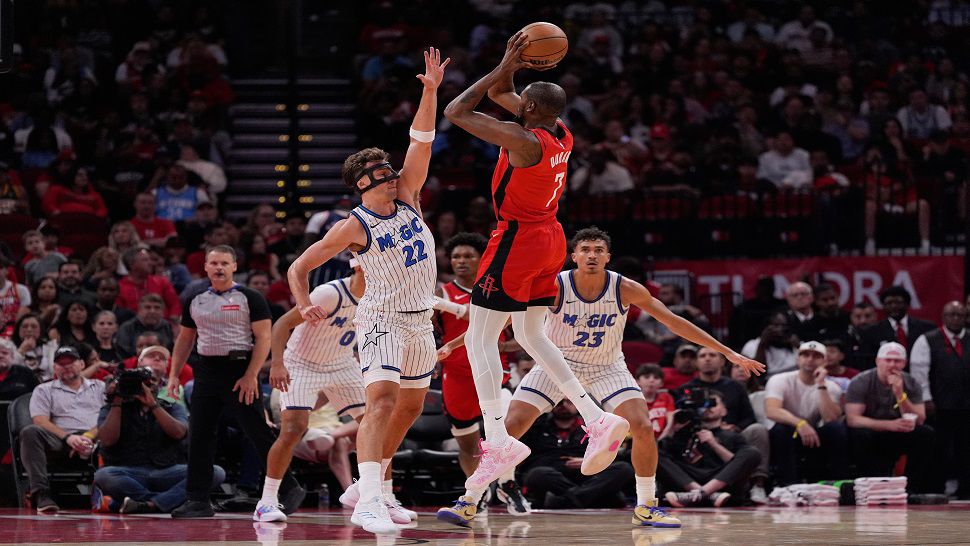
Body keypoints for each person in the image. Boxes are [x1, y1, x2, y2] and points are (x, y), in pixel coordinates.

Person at [437, 228, 762, 527]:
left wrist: (728, 352)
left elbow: (673, 321)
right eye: (585, 250)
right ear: (574, 256)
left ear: (608, 256)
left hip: (608, 367)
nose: (591, 255)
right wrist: (453, 344)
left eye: (598, 250)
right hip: (557, 364)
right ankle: (470, 499)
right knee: (508, 429)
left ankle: (647, 505)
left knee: (643, 426)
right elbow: (499, 321)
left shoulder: (624, 288)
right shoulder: (555, 284)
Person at [443, 32, 630, 494]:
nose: (513, 104)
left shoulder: (522, 141)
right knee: (530, 333)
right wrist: (511, 68)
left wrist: (506, 62)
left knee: (479, 338)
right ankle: (596, 416)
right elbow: (498, 94)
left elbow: (457, 111)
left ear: (527, 110)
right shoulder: (561, 130)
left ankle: (498, 437)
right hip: (551, 236)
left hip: (517, 240)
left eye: (520, 102)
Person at [286, 48, 447, 535]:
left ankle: (367, 486)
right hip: (380, 316)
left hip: (421, 318)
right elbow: (300, 265)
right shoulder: (352, 225)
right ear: (365, 183)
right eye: (383, 170)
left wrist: (431, 91)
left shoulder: (410, 199)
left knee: (412, 407)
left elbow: (422, 139)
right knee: (380, 400)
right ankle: (370, 497)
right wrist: (301, 303)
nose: (394, 173)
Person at [166, 245, 304, 518]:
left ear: (234, 266)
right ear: (205, 267)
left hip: (241, 369)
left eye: (224, 263)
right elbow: (185, 339)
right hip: (206, 370)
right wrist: (172, 374)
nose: (218, 268)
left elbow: (264, 338)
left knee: (256, 431)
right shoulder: (194, 298)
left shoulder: (249, 297)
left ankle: (289, 487)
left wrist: (252, 374)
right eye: (214, 263)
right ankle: (197, 499)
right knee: (200, 434)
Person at [253, 262, 374, 522]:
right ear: (360, 267)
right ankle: (267, 501)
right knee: (293, 429)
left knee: (375, 424)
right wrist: (277, 364)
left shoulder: (378, 297)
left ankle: (376, 495)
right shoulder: (329, 294)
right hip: (302, 363)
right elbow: (282, 324)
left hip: (341, 363)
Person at [431, 232, 530, 518]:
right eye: (456, 257)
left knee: (505, 429)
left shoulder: (496, 289)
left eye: (468, 256)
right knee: (467, 444)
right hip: (457, 375)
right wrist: (435, 353)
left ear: (480, 259)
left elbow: (521, 333)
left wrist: (502, 344)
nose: (461, 261)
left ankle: (508, 484)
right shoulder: (442, 292)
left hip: (492, 370)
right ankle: (479, 493)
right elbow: (429, 328)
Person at [93, 346, 221, 514]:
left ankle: (146, 505)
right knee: (104, 475)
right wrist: (117, 400)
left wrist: (153, 405)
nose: (146, 386)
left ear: (160, 384)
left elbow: (180, 433)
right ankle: (167, 501)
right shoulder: (113, 405)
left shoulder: (170, 405)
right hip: (129, 470)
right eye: (142, 383)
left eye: (151, 382)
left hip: (166, 470)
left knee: (215, 472)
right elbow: (108, 440)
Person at [21, 346, 104, 513]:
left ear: (82, 364)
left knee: (119, 428)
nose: (65, 367)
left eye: (70, 362)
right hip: (60, 440)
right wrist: (69, 438)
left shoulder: (100, 387)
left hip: (97, 438)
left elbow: (108, 417)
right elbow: (40, 421)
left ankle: (114, 494)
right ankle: (41, 494)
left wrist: (89, 436)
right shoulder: (44, 389)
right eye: (60, 364)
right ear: (54, 368)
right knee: (30, 432)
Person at [682, 347, 770, 504]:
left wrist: (732, 428)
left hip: (733, 435)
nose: (707, 359)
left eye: (712, 354)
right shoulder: (686, 388)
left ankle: (758, 483)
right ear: (696, 362)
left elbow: (749, 418)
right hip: (697, 436)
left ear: (722, 361)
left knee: (758, 430)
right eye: (702, 356)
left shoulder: (736, 386)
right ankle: (698, 489)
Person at [845, 342, 933, 493]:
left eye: (897, 361)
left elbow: (919, 419)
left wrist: (900, 394)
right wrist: (890, 425)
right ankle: (868, 488)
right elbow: (853, 419)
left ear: (904, 363)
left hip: (898, 433)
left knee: (925, 433)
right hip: (872, 431)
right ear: (878, 361)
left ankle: (912, 489)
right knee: (860, 435)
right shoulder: (861, 381)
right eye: (888, 360)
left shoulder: (911, 383)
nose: (892, 364)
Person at [516, 399, 635, 510]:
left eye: (569, 402)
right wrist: (562, 464)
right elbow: (531, 459)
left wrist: (587, 461)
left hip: (589, 474)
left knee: (623, 468)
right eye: (560, 402)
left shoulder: (594, 426)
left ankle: (565, 501)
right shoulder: (538, 426)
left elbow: (608, 453)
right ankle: (595, 498)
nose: (563, 405)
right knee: (537, 474)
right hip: (554, 477)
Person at [764, 341, 849, 485]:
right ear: (798, 359)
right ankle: (788, 485)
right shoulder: (779, 380)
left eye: (816, 356)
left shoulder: (832, 387)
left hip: (813, 435)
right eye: (805, 355)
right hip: (787, 433)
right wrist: (800, 423)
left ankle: (838, 484)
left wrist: (821, 385)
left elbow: (831, 418)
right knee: (782, 429)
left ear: (825, 361)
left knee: (836, 429)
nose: (810, 359)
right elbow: (772, 411)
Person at [660, 391, 762, 507]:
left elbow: (737, 466)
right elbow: (656, 454)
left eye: (713, 404)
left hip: (720, 478)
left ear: (724, 411)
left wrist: (714, 444)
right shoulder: (681, 434)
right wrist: (670, 427)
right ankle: (703, 494)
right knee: (650, 451)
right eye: (703, 405)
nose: (707, 408)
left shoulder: (733, 435)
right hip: (687, 479)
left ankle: (701, 493)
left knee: (752, 452)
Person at [910, 301, 970, 497]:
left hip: (966, 405)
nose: (955, 319)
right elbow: (919, 373)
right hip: (939, 404)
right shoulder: (927, 340)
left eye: (959, 315)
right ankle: (936, 487)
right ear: (943, 317)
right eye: (950, 315)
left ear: (965, 317)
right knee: (940, 448)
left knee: (965, 449)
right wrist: (926, 399)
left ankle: (966, 489)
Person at [859, 286, 936, 369]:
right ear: (883, 306)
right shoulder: (872, 332)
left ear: (907, 304)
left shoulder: (926, 328)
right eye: (889, 303)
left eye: (898, 302)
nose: (893, 306)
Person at [116, 248, 182, 323]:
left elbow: (175, 304)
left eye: (149, 259)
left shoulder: (162, 282)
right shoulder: (120, 287)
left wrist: (173, 322)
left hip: (163, 327)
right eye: (145, 260)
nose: (151, 263)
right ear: (131, 264)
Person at [636, 364, 674, 435]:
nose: (651, 380)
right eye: (646, 377)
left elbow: (670, 423)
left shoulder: (666, 397)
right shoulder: (632, 401)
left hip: (662, 440)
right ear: (638, 381)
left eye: (656, 378)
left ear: (662, 383)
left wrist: (662, 440)